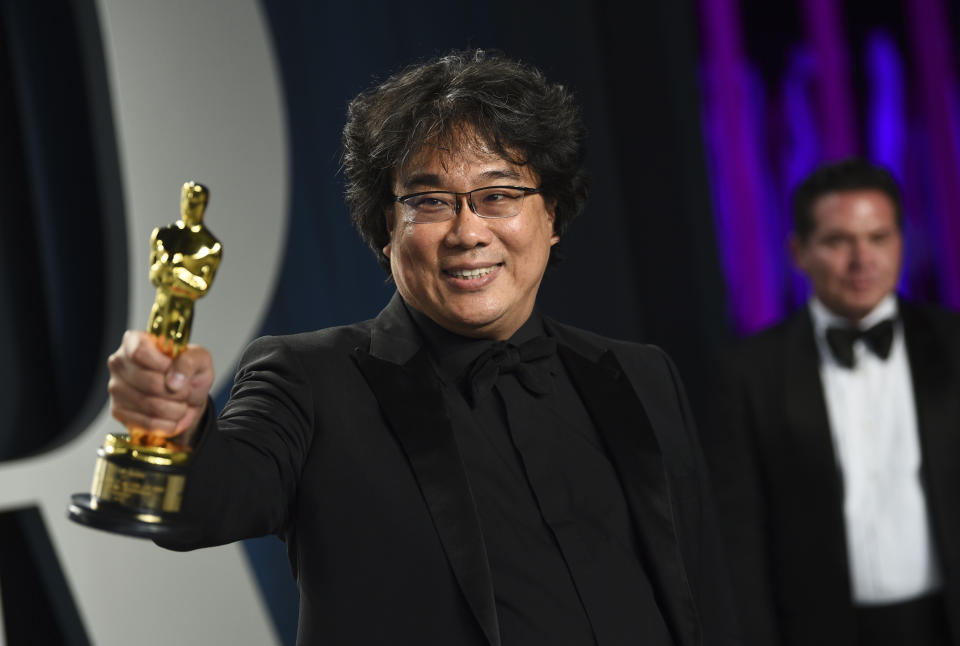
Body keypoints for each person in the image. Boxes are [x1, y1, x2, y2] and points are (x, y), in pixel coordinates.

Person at [107, 49, 737, 646]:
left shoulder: (641, 375)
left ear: (553, 216)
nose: (467, 231)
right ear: (388, 228)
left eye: (499, 195)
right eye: (431, 201)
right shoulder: (309, 380)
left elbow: (708, 596)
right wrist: (170, 430)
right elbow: (203, 506)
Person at [703, 158, 960, 646]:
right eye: (839, 241)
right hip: (820, 631)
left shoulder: (954, 344)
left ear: (901, 242)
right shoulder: (749, 373)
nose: (862, 260)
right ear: (799, 252)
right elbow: (739, 534)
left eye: (879, 238)